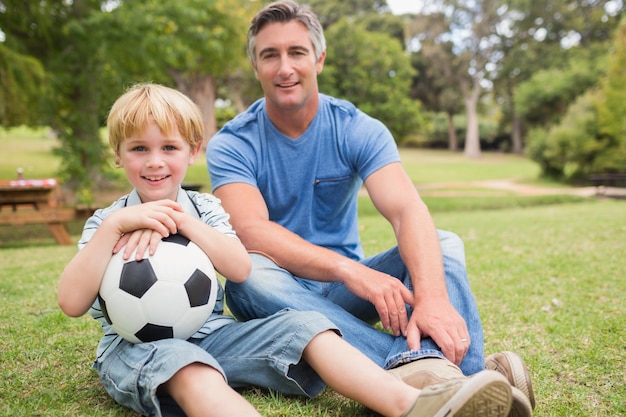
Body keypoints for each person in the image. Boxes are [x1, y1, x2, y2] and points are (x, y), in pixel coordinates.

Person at [57, 83, 514, 417]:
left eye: (168, 147)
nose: (155, 161)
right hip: (137, 346)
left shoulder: (203, 209)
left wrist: (184, 223)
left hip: (213, 332)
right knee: (188, 366)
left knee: (308, 325)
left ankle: (413, 404)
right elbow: (72, 302)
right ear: (118, 156)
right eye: (139, 148)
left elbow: (237, 268)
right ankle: (443, 377)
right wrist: (114, 228)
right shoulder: (106, 222)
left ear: (192, 151)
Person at [206, 1, 535, 416]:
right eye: (269, 55)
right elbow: (251, 231)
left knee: (442, 242)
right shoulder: (233, 143)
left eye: (297, 52)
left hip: (345, 298)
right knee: (247, 276)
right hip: (278, 293)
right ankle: (464, 377)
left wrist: (431, 297)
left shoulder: (357, 128)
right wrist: (351, 270)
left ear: (319, 59)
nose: (284, 67)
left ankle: (445, 381)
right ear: (256, 66)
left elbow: (406, 211)